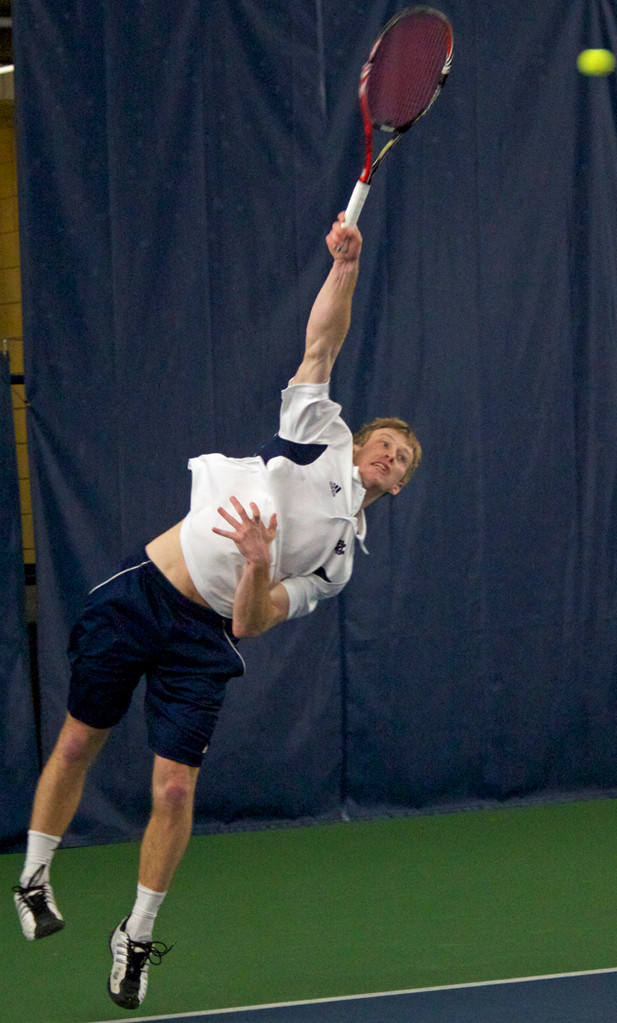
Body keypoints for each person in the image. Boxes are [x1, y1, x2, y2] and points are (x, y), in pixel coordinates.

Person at [12, 214, 422, 1010]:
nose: (389, 454)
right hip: (144, 593)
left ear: (398, 483)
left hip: (203, 635)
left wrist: (260, 563)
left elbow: (250, 623)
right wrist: (343, 267)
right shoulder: (318, 437)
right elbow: (321, 345)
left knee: (173, 792)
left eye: (402, 458)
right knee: (78, 739)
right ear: (357, 443)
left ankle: (135, 935)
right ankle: (33, 875)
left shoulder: (337, 563)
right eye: (383, 442)